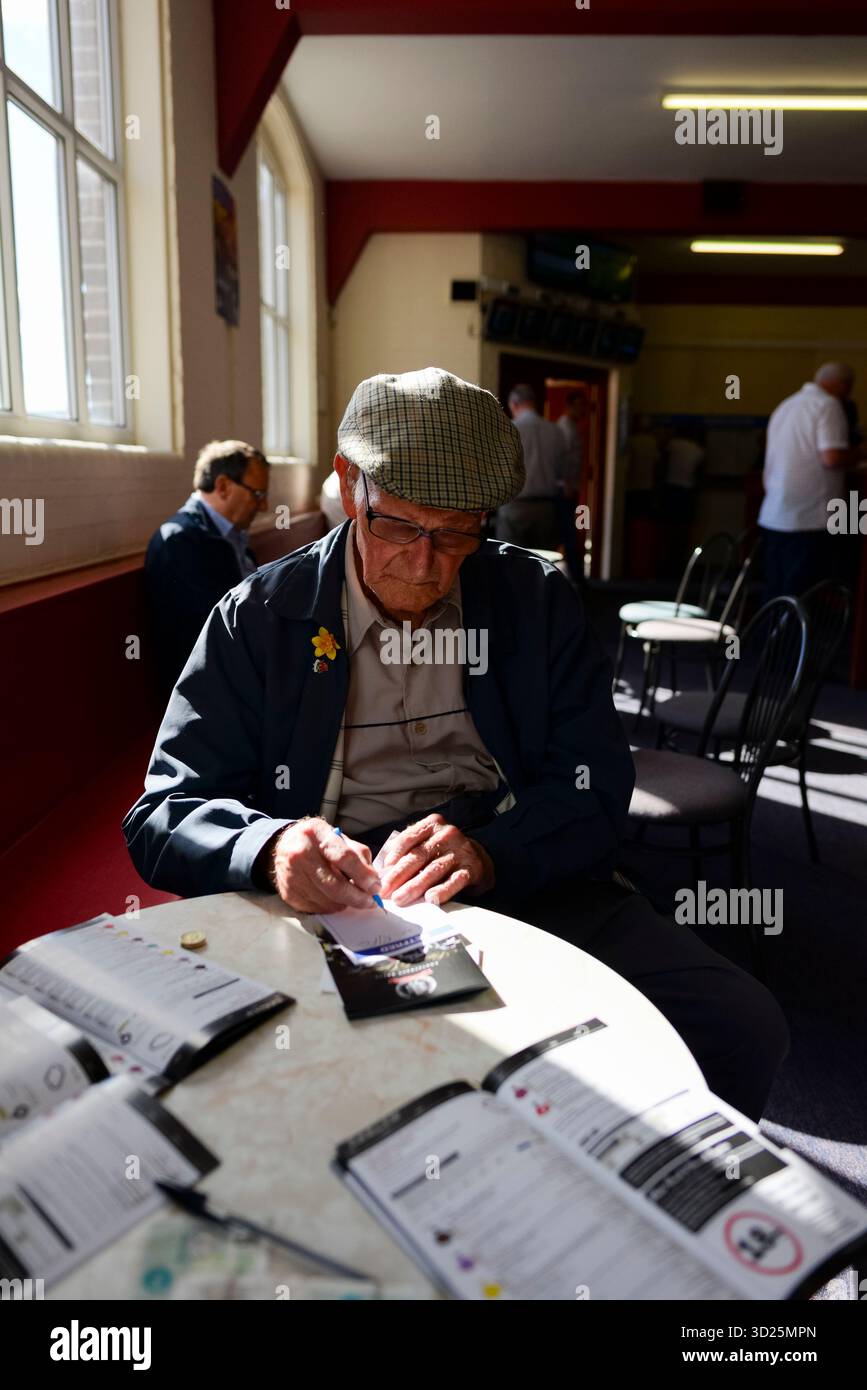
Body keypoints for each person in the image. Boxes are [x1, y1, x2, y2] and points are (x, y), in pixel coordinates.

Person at [124, 367, 788, 1122]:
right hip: (332, 901)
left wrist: (491, 850)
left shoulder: (531, 601)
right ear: (349, 484)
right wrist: (273, 847)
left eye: (457, 534)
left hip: (515, 866)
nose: (425, 565)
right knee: (358, 1090)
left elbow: (594, 784)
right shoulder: (260, 616)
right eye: (398, 526)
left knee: (739, 1023)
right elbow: (163, 814)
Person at [145, 439, 270, 696]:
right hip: (206, 692)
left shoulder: (232, 536)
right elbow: (206, 635)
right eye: (257, 495)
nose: (264, 506)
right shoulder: (179, 541)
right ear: (223, 486)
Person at [759, 363, 867, 601]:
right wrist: (860, 452)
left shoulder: (786, 405)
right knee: (802, 595)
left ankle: (769, 638)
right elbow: (832, 457)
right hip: (809, 516)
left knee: (775, 594)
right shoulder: (828, 405)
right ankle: (798, 639)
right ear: (843, 385)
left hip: (775, 513)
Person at [494, 383, 567, 553]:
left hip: (514, 507)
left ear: (513, 404)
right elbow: (562, 471)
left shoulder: (508, 429)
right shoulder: (555, 431)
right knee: (543, 562)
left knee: (510, 562)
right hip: (546, 509)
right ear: (534, 403)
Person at [554, 390, 586, 583]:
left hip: (570, 488)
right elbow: (561, 459)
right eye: (580, 404)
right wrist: (566, 483)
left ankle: (576, 577)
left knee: (572, 532)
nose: (583, 409)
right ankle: (574, 578)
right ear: (570, 405)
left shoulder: (573, 427)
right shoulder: (564, 428)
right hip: (563, 489)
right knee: (567, 534)